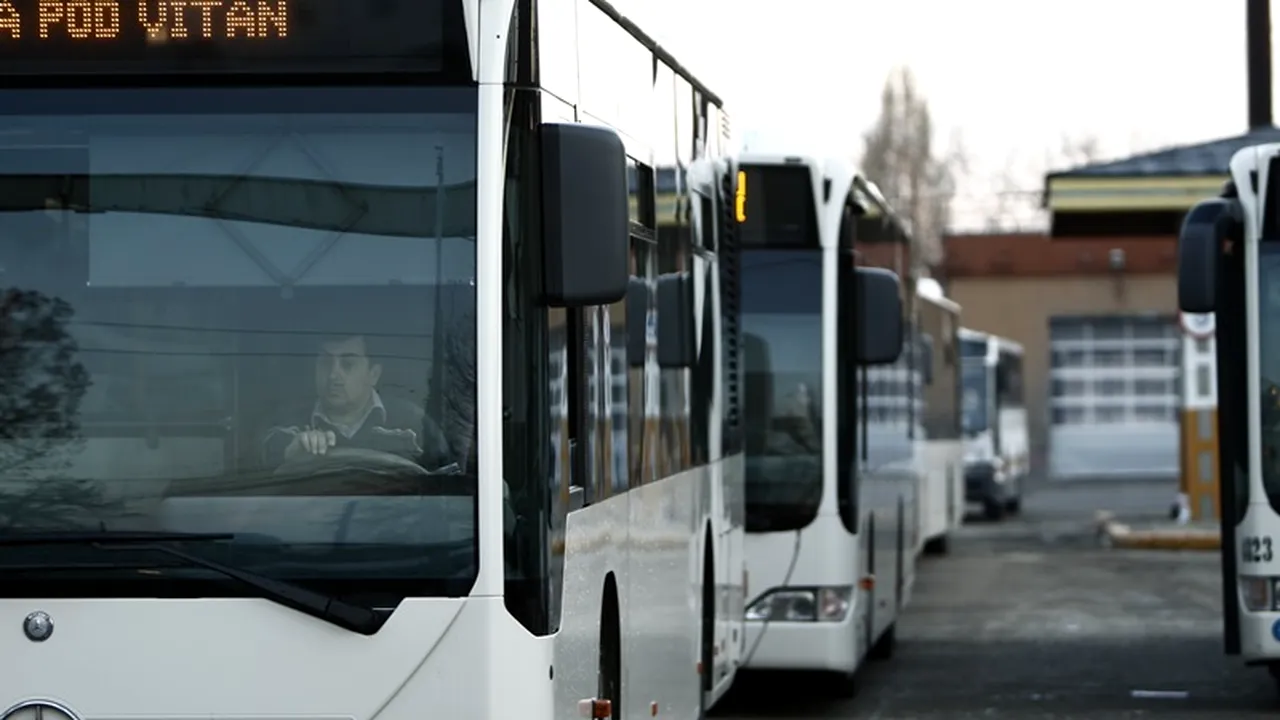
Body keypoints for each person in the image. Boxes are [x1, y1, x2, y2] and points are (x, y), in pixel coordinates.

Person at [261, 333, 451, 470]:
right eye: (326, 363)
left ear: (373, 374)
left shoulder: (413, 423)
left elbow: (446, 488)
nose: (334, 375)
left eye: (347, 364)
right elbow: (253, 463)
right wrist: (291, 452)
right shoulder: (288, 421)